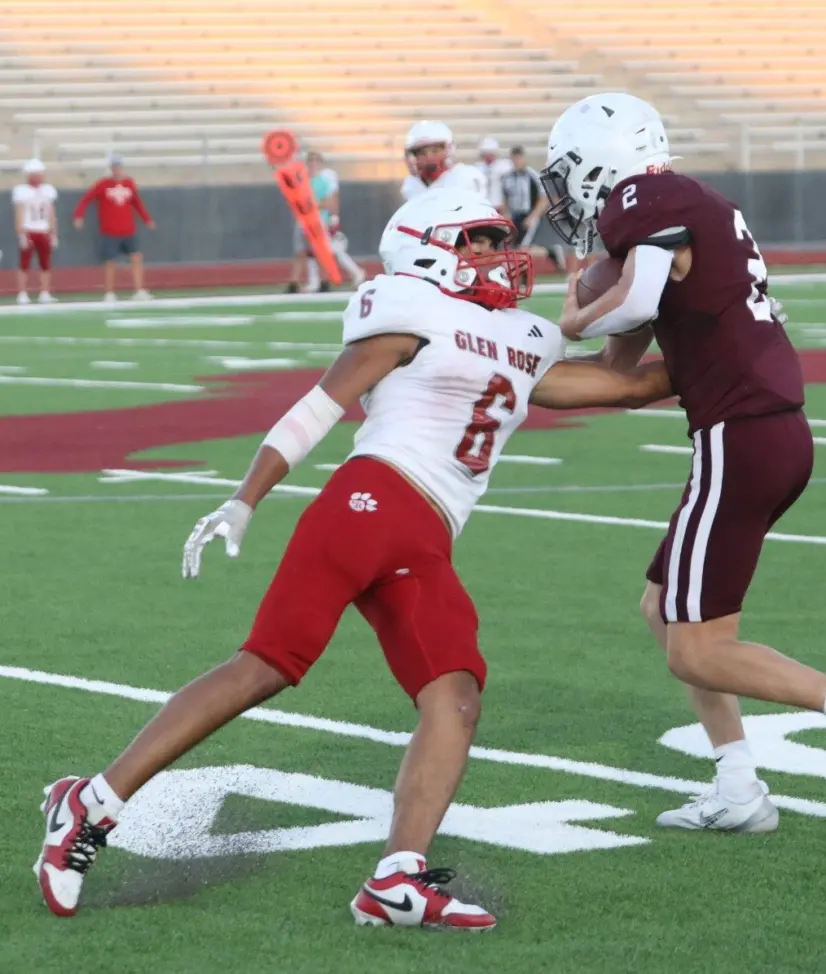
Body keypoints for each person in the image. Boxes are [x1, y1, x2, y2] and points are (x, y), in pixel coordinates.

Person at [33, 188, 671, 927]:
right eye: (478, 240)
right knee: (268, 663)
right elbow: (319, 406)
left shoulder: (523, 337)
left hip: (427, 537)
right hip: (369, 501)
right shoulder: (409, 312)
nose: (497, 254)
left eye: (499, 240)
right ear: (428, 251)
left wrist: (731, 346)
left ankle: (398, 878)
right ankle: (92, 803)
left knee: (456, 696)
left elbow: (630, 385)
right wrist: (246, 497)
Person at [541, 92, 826, 834]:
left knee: (696, 648)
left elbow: (630, 305)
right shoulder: (681, 215)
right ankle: (738, 786)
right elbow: (618, 376)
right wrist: (510, 372)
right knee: (662, 607)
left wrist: (571, 318)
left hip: (739, 434)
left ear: (601, 163)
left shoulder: (645, 196)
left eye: (567, 175)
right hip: (763, 431)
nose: (566, 196)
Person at [72, 155, 155, 302]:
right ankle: (109, 292)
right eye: (114, 167)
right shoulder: (103, 185)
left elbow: (137, 203)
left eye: (119, 167)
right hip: (110, 231)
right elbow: (86, 199)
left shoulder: (129, 183)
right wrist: (79, 215)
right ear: (111, 169)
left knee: (136, 257)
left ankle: (139, 290)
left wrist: (147, 219)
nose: (117, 170)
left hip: (128, 229)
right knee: (110, 262)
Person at [286, 151, 365, 294]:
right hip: (303, 222)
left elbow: (330, 202)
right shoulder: (302, 180)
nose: (313, 164)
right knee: (304, 252)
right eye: (311, 161)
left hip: (319, 221)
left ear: (321, 164)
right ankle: (308, 282)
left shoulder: (324, 180)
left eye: (316, 161)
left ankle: (325, 281)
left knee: (323, 252)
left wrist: (330, 217)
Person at [500, 146, 566, 272]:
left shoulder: (533, 176)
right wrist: (505, 215)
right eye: (514, 159)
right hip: (515, 215)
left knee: (523, 247)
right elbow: (506, 198)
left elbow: (544, 198)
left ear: (523, 158)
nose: (516, 161)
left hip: (529, 214)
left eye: (518, 158)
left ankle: (524, 276)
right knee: (516, 247)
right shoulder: (508, 177)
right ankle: (551, 252)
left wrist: (534, 216)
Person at [400, 121, 487, 201]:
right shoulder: (411, 185)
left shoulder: (465, 177)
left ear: (448, 150)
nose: (429, 157)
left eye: (435, 151)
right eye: (421, 153)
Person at [12, 159, 58, 305]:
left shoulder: (48, 190)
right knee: (24, 263)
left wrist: (54, 233)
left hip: (43, 231)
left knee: (45, 263)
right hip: (29, 230)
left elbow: (51, 213)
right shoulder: (21, 191)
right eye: (36, 173)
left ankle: (45, 292)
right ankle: (22, 293)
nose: (39, 176)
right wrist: (21, 233)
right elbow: (19, 213)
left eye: (40, 173)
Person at [476, 136, 513, 208]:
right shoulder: (479, 167)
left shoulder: (504, 166)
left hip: (499, 204)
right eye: (485, 154)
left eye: (490, 154)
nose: (488, 157)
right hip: (483, 204)